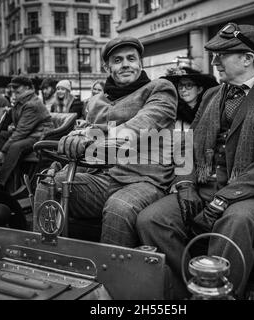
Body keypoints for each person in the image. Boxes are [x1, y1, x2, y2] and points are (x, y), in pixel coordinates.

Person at [137, 23, 254, 299]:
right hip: (203, 186)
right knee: (150, 220)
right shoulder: (212, 95)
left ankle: (219, 295)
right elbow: (189, 146)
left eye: (222, 54)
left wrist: (223, 199)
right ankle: (195, 290)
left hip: (253, 194)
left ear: (247, 59)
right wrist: (186, 184)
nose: (214, 61)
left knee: (236, 223)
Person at [33, 36, 177, 248]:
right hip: (99, 176)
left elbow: (142, 124)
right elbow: (85, 132)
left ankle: (111, 277)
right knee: (49, 183)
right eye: (117, 60)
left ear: (140, 63)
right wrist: (74, 139)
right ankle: (43, 253)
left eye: (131, 58)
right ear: (107, 67)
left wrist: (92, 138)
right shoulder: (97, 101)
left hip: (143, 179)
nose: (126, 64)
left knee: (119, 207)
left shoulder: (160, 89)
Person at [0, 75, 54, 187]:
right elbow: (18, 124)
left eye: (17, 87)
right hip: (31, 133)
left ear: (27, 88)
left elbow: (21, 132)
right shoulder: (21, 101)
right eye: (13, 87)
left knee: (15, 146)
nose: (14, 89)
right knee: (1, 135)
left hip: (40, 135)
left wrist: (3, 151)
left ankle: (0, 181)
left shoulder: (32, 104)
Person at [163, 66, 218, 131]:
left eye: (188, 85)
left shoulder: (209, 112)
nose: (183, 90)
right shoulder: (172, 113)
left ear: (199, 90)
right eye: (180, 86)